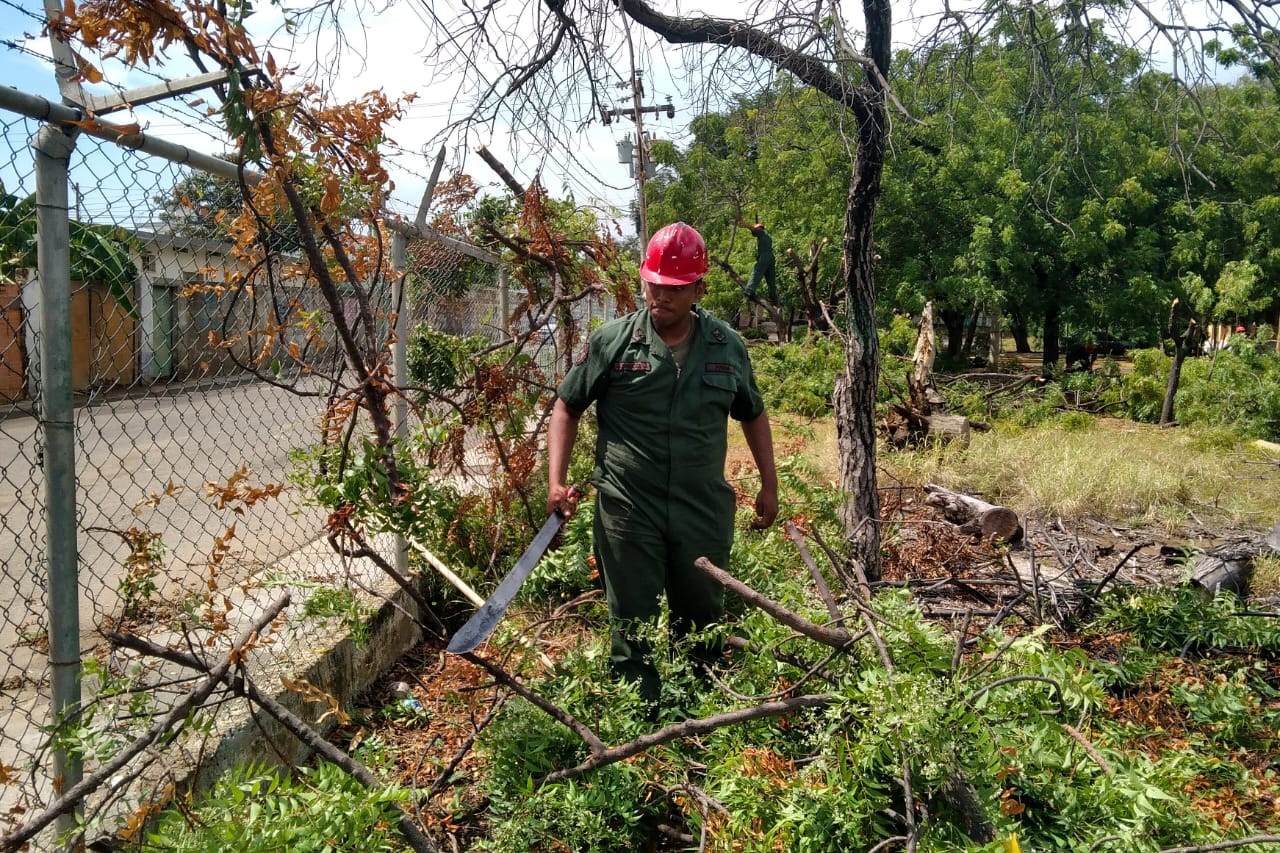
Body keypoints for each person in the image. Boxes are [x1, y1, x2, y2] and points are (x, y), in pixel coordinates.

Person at [546, 221, 779, 706]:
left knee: (702, 623)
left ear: (699, 287)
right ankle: (640, 725)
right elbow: (567, 405)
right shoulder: (613, 342)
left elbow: (753, 414)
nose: (660, 295)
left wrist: (769, 485)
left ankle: (704, 723)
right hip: (629, 509)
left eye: (674, 287)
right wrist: (556, 481)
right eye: (653, 283)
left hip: (701, 510)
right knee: (632, 624)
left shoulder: (726, 347)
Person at [742, 220, 778, 305]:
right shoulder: (767, 236)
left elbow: (752, 228)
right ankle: (774, 299)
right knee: (771, 280)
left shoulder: (761, 232)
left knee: (756, 272)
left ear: (759, 228)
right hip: (771, 258)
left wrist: (743, 222)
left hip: (764, 256)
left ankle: (749, 290)